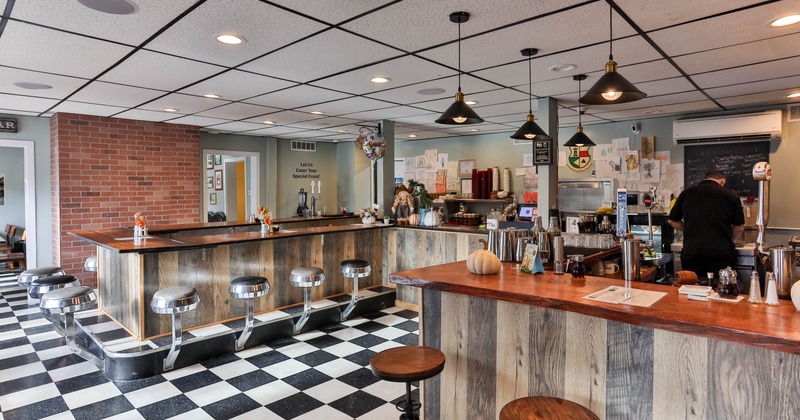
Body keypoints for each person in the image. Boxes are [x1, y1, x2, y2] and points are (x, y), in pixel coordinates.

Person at [668, 170, 745, 284]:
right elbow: (739, 227)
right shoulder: (731, 196)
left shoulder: (686, 193)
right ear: (722, 182)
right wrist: (728, 239)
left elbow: (672, 221)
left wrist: (690, 230)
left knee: (692, 286)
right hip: (720, 253)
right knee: (720, 287)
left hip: (692, 252)